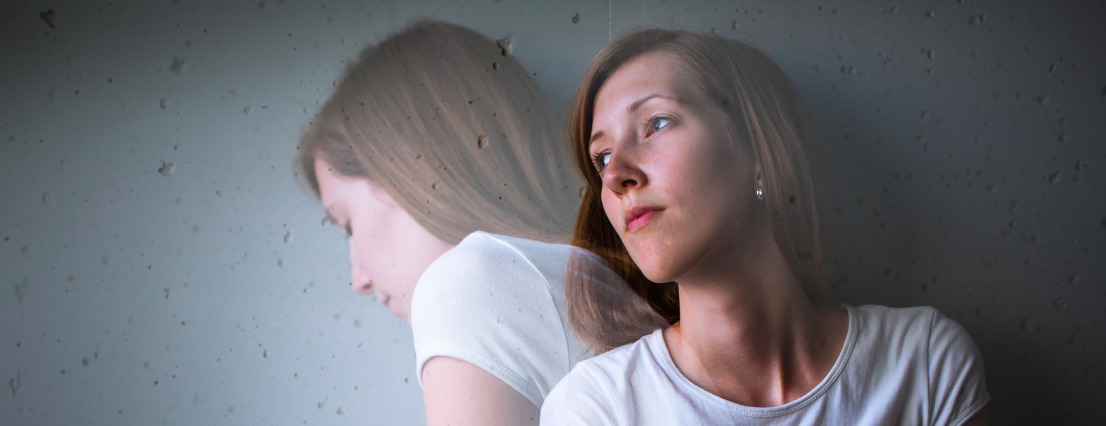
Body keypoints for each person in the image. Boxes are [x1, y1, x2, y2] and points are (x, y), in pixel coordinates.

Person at [541, 29, 990, 425]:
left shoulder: (924, 363)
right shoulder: (596, 409)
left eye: (656, 123)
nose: (615, 174)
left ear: (757, 154)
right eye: (601, 157)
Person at [296, 19, 625, 425]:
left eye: (346, 222)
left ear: (402, 175)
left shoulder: (464, 283)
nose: (358, 279)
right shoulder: (600, 279)